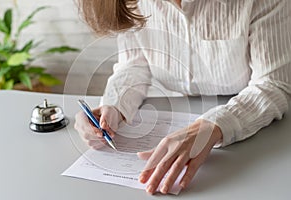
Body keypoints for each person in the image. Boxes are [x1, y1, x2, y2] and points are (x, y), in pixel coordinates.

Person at [74, 0, 291, 195]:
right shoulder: (130, 2)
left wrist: (213, 126)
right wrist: (114, 105)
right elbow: (134, 64)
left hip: (255, 133)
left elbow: (273, 83)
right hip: (174, 111)